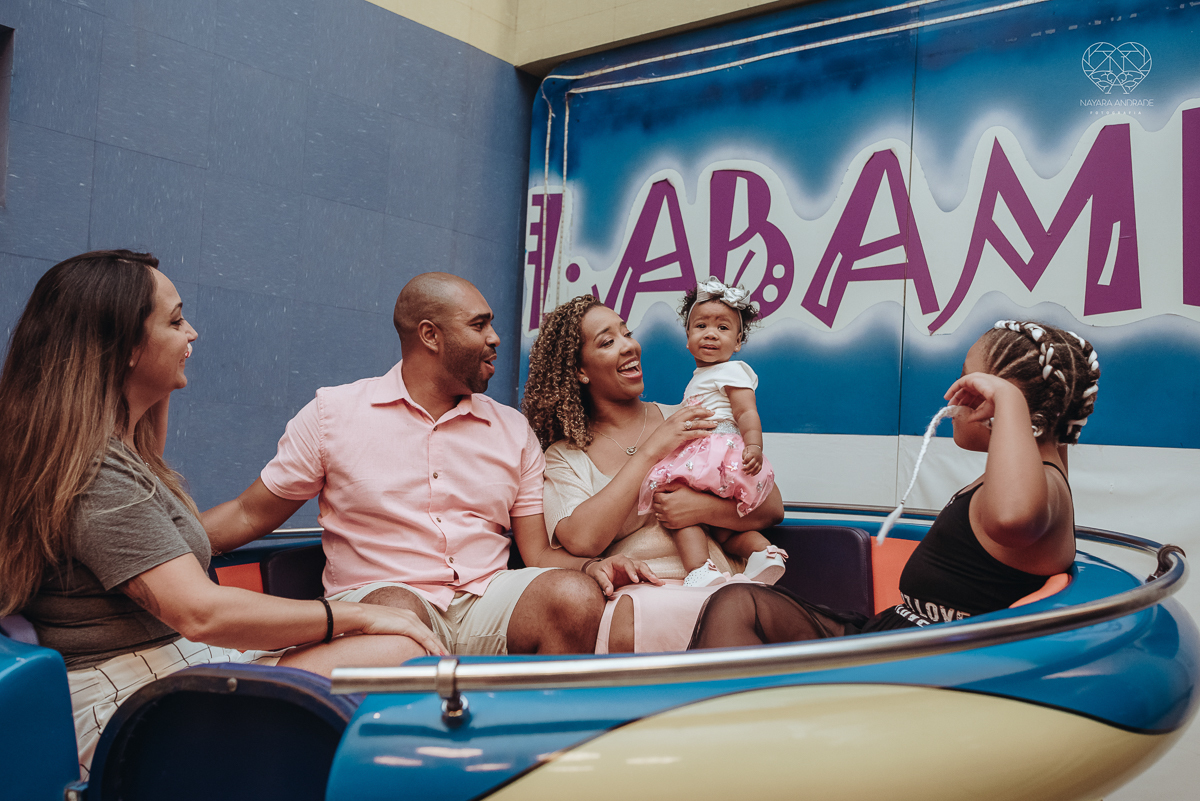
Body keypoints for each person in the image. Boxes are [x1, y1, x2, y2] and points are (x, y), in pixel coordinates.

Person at [0, 251, 446, 776]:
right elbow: (200, 613)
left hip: (173, 666)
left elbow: (149, 464)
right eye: (174, 320)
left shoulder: (108, 451)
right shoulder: (97, 475)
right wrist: (359, 613)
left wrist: (156, 381)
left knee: (392, 652)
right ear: (122, 347)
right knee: (392, 648)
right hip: (128, 704)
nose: (193, 333)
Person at [202, 273, 617, 660]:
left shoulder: (512, 428)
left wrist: (590, 568)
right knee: (399, 615)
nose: (496, 338)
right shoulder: (333, 415)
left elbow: (537, 553)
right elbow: (248, 513)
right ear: (430, 335)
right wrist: (160, 552)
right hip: (382, 598)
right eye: (478, 325)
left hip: (487, 597)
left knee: (575, 597)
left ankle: (541, 736)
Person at [688, 320, 1100, 648]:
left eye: (968, 382)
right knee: (738, 602)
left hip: (921, 667)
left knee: (736, 606)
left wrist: (1009, 399)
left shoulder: (1041, 492)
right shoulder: (1045, 475)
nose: (953, 400)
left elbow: (1011, 518)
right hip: (896, 637)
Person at [521, 295, 786, 653]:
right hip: (637, 598)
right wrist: (651, 451)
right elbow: (583, 540)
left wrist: (699, 509)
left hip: (722, 588)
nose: (629, 346)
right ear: (580, 371)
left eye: (627, 333)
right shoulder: (565, 456)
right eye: (608, 341)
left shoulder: (690, 415)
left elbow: (770, 507)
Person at [636, 277, 785, 587]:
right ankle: (762, 553)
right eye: (701, 326)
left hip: (716, 450)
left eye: (723, 328)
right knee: (722, 529)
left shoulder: (732, 370)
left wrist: (754, 446)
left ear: (739, 341)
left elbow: (746, 411)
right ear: (687, 338)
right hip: (709, 452)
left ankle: (699, 569)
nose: (711, 334)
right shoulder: (702, 376)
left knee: (671, 496)